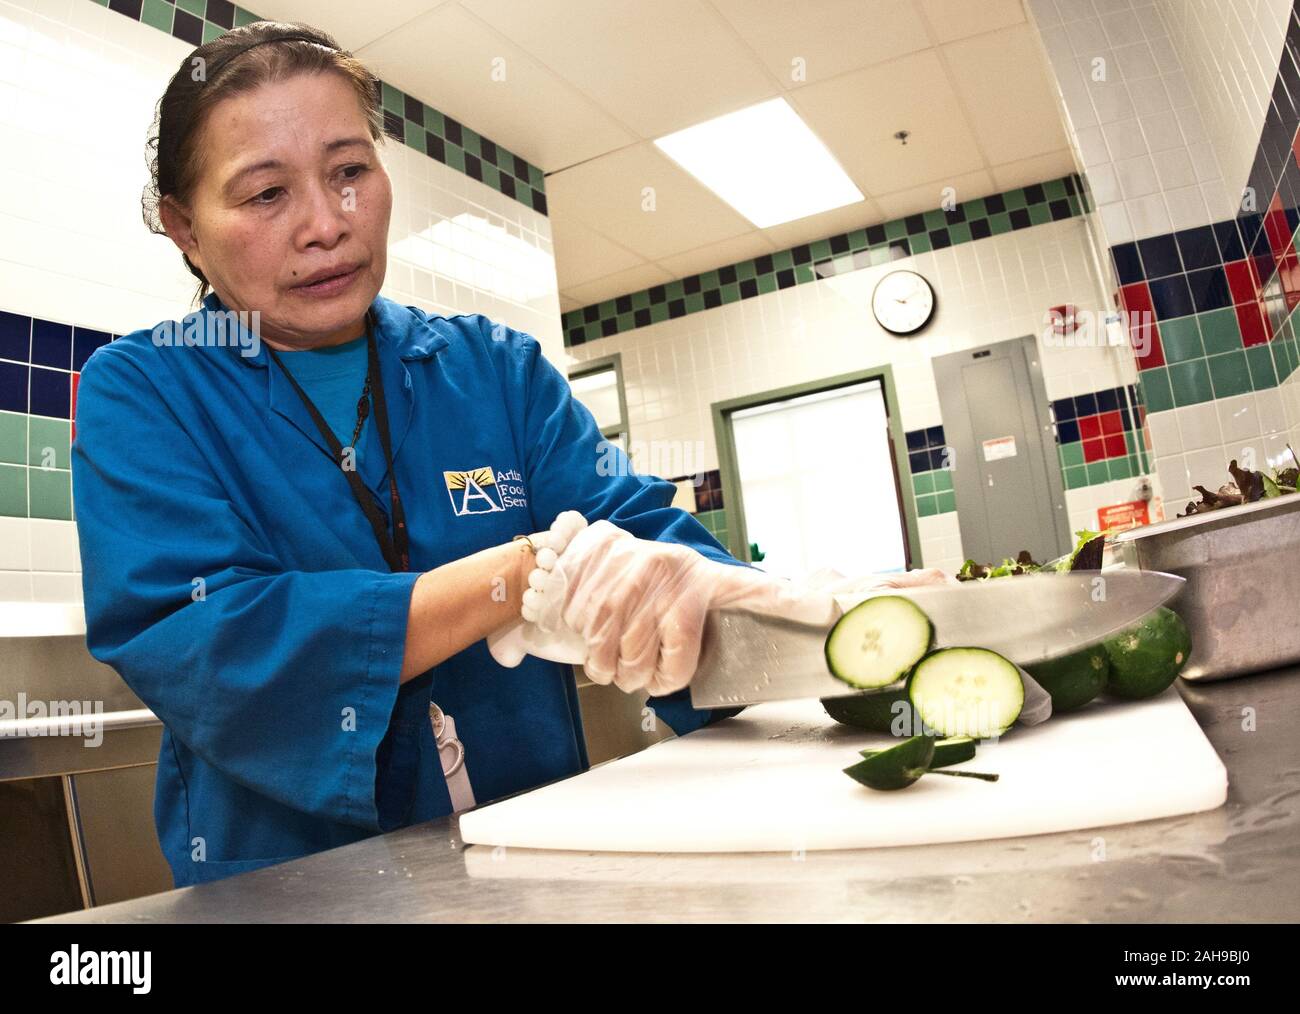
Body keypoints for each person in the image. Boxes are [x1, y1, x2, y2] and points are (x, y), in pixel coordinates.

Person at [70, 21, 845, 887]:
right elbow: (215, 641)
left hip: (541, 865)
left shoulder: (493, 370)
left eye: (350, 172)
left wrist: (818, 627)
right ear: (183, 227)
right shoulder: (145, 392)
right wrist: (523, 571)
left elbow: (657, 555)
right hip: (295, 887)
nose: (328, 224)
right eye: (264, 196)